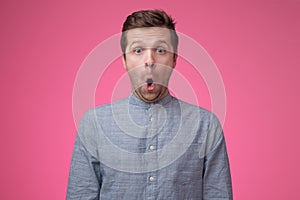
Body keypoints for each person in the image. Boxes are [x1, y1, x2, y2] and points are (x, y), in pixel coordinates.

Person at [67, 9, 232, 200]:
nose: (149, 61)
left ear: (174, 60)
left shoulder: (206, 125)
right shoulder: (94, 124)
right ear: (125, 61)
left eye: (160, 50)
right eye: (138, 50)